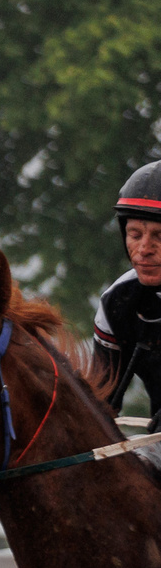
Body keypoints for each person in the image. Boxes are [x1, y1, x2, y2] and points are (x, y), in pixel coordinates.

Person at [91, 161, 161, 413]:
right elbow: (100, 406)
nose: (144, 250)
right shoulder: (116, 302)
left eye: (159, 236)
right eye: (135, 234)